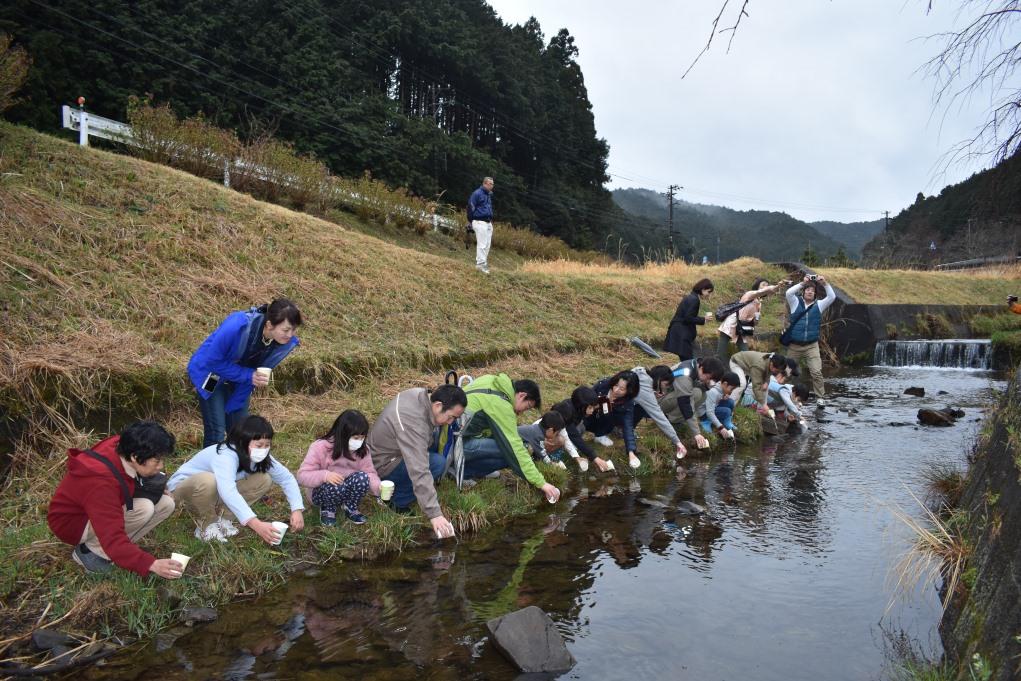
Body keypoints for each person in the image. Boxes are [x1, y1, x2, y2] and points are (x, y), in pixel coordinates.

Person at [47, 421, 183, 578]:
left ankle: (119, 552)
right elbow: (113, 538)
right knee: (144, 509)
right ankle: (90, 553)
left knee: (166, 504)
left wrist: (158, 489)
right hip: (73, 523)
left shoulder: (123, 445)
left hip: (98, 505)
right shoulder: (101, 483)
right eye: (157, 461)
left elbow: (125, 481)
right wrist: (151, 564)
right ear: (135, 457)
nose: (161, 466)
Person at [168, 415, 305, 543]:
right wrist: (256, 524)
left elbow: (286, 478)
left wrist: (296, 509)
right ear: (242, 441)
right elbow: (228, 491)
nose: (263, 450)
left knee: (264, 479)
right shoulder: (225, 455)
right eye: (259, 445)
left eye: (267, 445)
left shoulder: (260, 456)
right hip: (181, 492)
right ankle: (206, 525)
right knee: (208, 480)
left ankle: (223, 519)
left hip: (213, 491)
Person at [188, 299, 303, 447]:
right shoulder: (237, 325)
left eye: (293, 330)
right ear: (269, 325)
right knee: (216, 431)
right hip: (212, 375)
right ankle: (209, 469)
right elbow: (212, 362)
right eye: (286, 330)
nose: (290, 335)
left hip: (241, 382)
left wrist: (253, 378)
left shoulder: (281, 342)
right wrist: (249, 375)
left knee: (241, 434)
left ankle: (236, 467)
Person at [367, 384, 466, 539]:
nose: (450, 422)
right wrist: (435, 514)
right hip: (381, 465)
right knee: (437, 464)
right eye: (451, 417)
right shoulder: (413, 422)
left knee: (431, 452)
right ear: (438, 405)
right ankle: (395, 500)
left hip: (387, 450)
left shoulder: (420, 395)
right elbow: (419, 470)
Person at [461, 374, 562, 503]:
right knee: (515, 451)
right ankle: (464, 472)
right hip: (456, 444)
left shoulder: (490, 380)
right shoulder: (502, 405)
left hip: (451, 437)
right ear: (521, 395)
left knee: (507, 448)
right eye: (527, 407)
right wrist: (542, 483)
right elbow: (515, 448)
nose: (521, 413)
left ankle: (475, 469)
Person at [297, 410, 381, 527]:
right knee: (336, 484)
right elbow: (302, 476)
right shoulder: (320, 447)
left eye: (362, 437)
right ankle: (328, 509)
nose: (359, 441)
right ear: (342, 434)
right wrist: (325, 476)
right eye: (355, 437)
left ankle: (350, 506)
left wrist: (378, 487)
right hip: (322, 493)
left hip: (346, 489)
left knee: (363, 478)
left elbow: (369, 473)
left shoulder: (362, 450)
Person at [784, 275, 836, 406]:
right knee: (787, 372)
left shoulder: (819, 305)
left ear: (815, 293)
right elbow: (788, 292)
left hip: (811, 346)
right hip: (794, 345)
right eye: (807, 289)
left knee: (816, 372)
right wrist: (802, 283)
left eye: (812, 290)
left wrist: (825, 283)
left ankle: (820, 397)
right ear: (803, 291)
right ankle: (784, 395)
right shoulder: (795, 302)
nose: (809, 291)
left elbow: (832, 297)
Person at [656, 356, 725, 451]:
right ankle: (671, 421)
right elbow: (685, 402)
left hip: (672, 397)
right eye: (708, 378)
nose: (708, 381)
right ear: (701, 368)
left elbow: (695, 389)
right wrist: (696, 433)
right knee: (696, 394)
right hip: (659, 402)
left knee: (702, 394)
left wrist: (707, 386)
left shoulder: (696, 366)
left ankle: (677, 420)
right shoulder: (685, 373)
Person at [585, 370, 643, 469]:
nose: (616, 390)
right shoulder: (603, 385)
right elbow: (585, 399)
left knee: (614, 413)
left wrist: (631, 452)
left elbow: (628, 426)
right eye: (616, 385)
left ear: (629, 391)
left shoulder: (627, 402)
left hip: (606, 422)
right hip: (589, 417)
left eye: (621, 389)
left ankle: (600, 434)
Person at [716, 278, 785, 359]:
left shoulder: (759, 303)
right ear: (757, 286)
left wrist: (756, 319)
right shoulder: (749, 294)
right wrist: (777, 286)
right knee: (720, 353)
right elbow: (762, 291)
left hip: (742, 328)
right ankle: (713, 369)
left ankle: (744, 369)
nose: (765, 287)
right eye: (763, 284)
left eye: (767, 285)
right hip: (731, 325)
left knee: (746, 353)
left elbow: (755, 322)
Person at [635, 365, 688, 459]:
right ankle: (619, 428)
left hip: (620, 406)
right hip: (613, 409)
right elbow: (659, 417)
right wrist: (677, 442)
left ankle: (623, 428)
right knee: (643, 409)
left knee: (641, 407)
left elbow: (638, 395)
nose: (665, 389)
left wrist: (653, 394)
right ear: (659, 379)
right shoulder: (645, 390)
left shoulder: (641, 373)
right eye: (666, 385)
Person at [728, 351, 796, 412]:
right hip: (737, 362)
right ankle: (729, 407)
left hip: (749, 366)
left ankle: (761, 409)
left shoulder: (773, 360)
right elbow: (756, 387)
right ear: (772, 365)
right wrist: (764, 404)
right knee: (742, 384)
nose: (776, 373)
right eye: (776, 371)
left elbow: (768, 374)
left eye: (778, 371)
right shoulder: (759, 366)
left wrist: (766, 382)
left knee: (765, 387)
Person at [664, 278, 714, 361]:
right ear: (703, 289)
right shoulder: (695, 300)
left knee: (685, 360)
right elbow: (688, 318)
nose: (709, 294)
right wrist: (703, 319)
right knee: (688, 361)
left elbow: (687, 316)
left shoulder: (690, 296)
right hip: (681, 333)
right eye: (708, 292)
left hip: (678, 331)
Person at [552, 387, 599, 472]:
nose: (592, 411)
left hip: (563, 432)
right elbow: (573, 435)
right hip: (550, 436)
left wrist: (576, 457)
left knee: (581, 428)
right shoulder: (566, 413)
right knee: (561, 440)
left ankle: (568, 449)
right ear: (582, 405)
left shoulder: (577, 408)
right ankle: (553, 458)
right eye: (590, 408)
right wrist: (594, 456)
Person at [700, 371, 741, 440]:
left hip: (712, 406)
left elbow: (717, 399)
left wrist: (724, 395)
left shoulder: (721, 387)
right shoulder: (713, 392)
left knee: (730, 402)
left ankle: (726, 421)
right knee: (726, 411)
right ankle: (706, 421)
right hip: (704, 412)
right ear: (725, 384)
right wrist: (720, 427)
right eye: (732, 389)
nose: (731, 391)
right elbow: (709, 412)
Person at [467, 176, 495, 274]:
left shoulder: (488, 195)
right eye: (490, 184)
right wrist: (470, 220)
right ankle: (480, 264)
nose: (492, 186)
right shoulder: (477, 193)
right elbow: (470, 207)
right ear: (484, 183)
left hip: (487, 222)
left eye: (492, 184)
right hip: (479, 221)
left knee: (487, 245)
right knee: (482, 244)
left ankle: (484, 263)